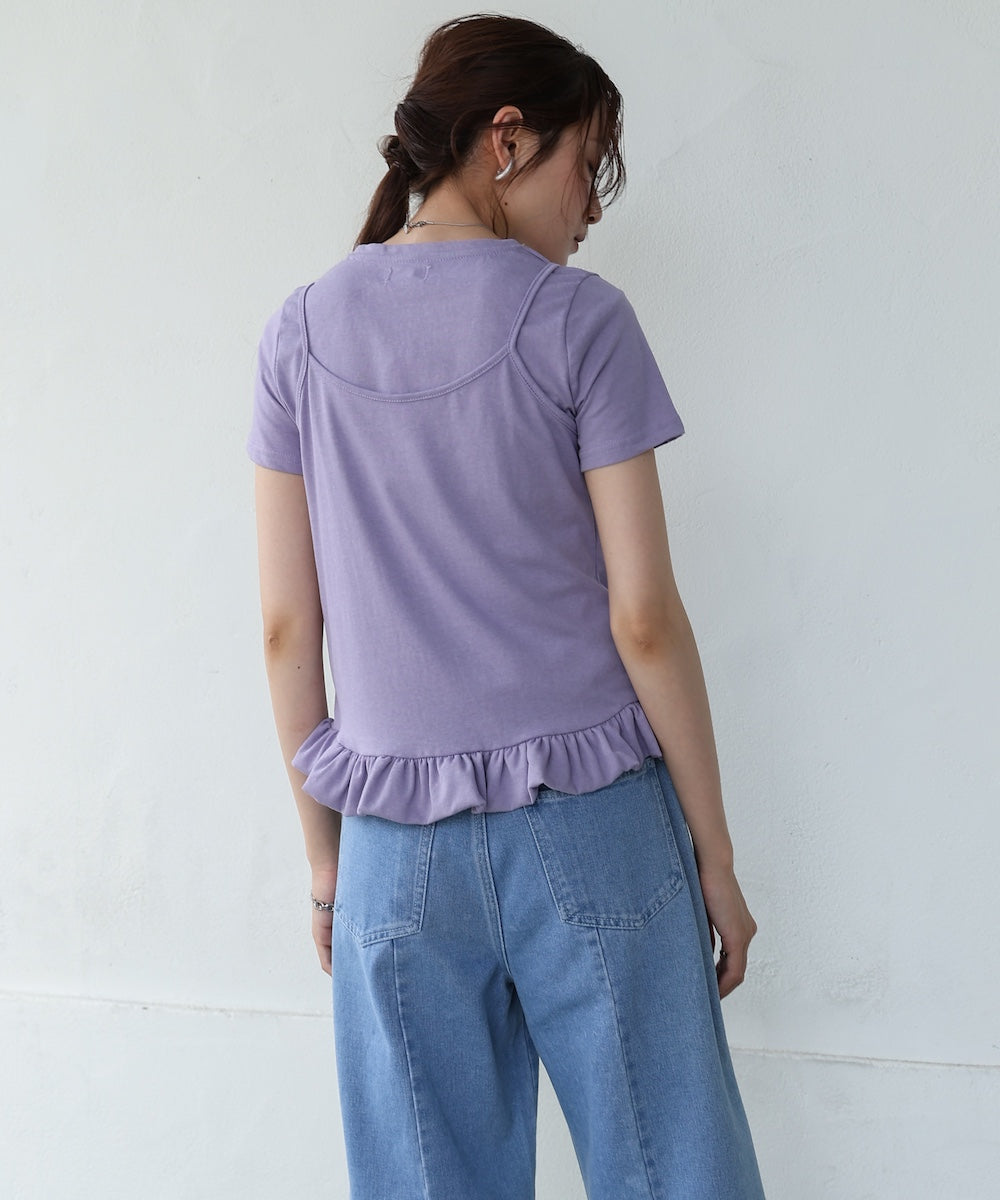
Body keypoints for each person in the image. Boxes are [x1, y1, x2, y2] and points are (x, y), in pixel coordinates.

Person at [247, 12, 766, 1199]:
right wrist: (716, 858)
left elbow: (286, 629)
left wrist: (327, 863)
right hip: (593, 827)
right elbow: (643, 617)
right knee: (673, 1172)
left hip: (392, 852)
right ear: (507, 137)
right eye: (590, 165)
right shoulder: (579, 320)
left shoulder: (297, 334)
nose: (591, 209)